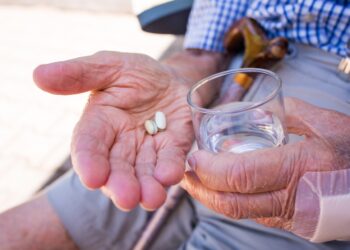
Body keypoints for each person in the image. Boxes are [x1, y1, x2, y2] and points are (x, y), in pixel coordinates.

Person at [1, 0, 350, 249]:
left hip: (334, 84)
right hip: (236, 63)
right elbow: (216, 22)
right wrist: (189, 65)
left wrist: (344, 198)